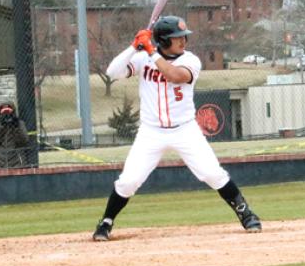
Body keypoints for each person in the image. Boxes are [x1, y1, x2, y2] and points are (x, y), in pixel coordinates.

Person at [93, 16, 262, 241]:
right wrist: (134, 46)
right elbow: (112, 72)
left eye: (183, 36)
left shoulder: (190, 60)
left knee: (212, 173)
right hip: (151, 132)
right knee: (129, 181)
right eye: (176, 38)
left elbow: (175, 76)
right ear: (164, 40)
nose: (183, 41)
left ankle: (246, 213)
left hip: (185, 130)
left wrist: (151, 51)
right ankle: (106, 222)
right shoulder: (143, 58)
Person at [0, 101, 32, 168]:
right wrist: (1, 124)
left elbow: (24, 140)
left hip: (16, 161)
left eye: (9, 112)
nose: (7, 115)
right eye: (4, 113)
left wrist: (16, 125)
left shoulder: (20, 124)